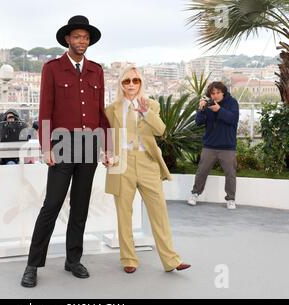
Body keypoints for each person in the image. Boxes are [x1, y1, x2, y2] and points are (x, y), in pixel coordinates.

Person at [21, 15, 110, 288]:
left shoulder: (97, 70)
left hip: (89, 146)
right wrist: (46, 146)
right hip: (62, 145)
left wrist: (107, 146)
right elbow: (45, 110)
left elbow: (99, 112)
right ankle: (32, 265)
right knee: (52, 205)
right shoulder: (53, 68)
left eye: (85, 37)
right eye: (77, 37)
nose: (82, 41)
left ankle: (73, 260)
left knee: (80, 207)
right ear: (68, 39)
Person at [104, 66, 190, 274]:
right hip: (121, 163)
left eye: (135, 80)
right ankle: (129, 259)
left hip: (147, 162)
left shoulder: (150, 105)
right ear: (121, 84)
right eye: (127, 81)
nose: (131, 84)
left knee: (159, 211)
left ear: (141, 83)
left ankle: (171, 260)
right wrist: (105, 155)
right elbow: (106, 137)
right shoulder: (112, 109)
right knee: (124, 213)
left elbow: (161, 130)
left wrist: (145, 112)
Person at [187, 82, 240, 210]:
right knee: (201, 171)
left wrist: (219, 110)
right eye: (213, 93)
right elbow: (198, 122)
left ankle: (231, 199)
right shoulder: (208, 104)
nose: (215, 96)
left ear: (223, 92)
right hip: (209, 146)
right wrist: (201, 109)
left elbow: (233, 119)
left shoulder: (232, 103)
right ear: (210, 94)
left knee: (230, 174)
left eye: (218, 93)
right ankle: (195, 194)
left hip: (227, 147)